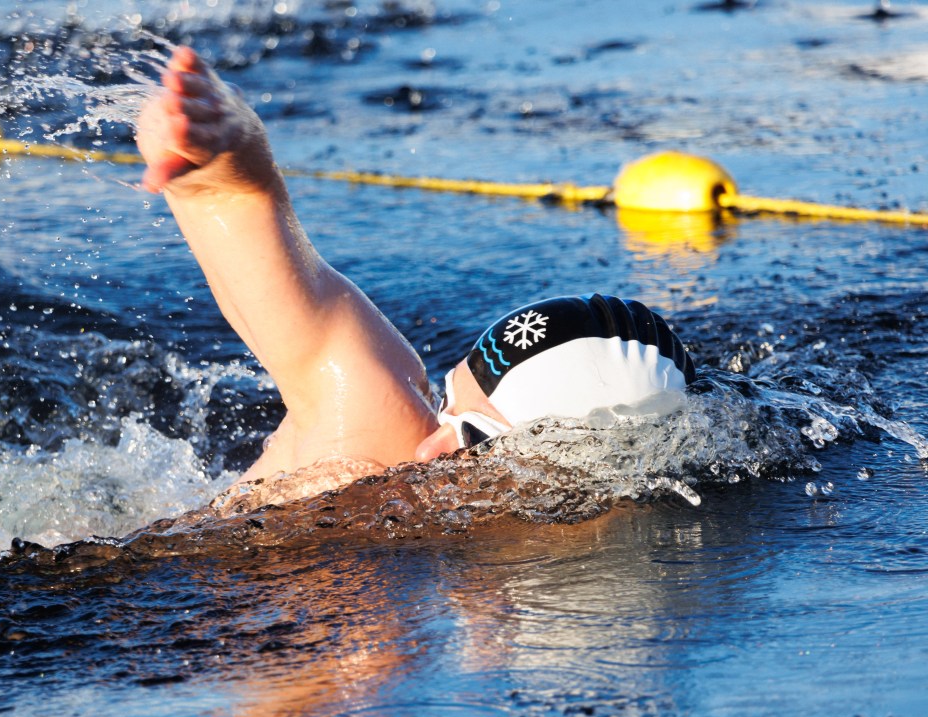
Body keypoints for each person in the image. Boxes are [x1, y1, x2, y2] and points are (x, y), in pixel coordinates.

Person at [135, 48, 695, 499]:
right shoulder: (380, 443)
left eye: (475, 438)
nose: (430, 447)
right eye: (447, 401)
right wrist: (219, 156)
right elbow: (242, 213)